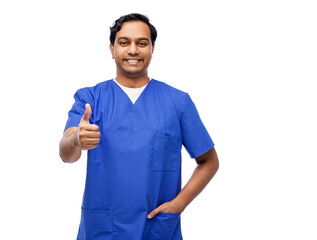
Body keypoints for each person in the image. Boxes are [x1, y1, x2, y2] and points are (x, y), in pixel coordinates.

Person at [59, 13, 219, 240]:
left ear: (152, 48)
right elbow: (66, 154)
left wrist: (180, 203)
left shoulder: (177, 101)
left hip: (157, 228)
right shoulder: (91, 99)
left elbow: (209, 161)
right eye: (124, 42)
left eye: (141, 43)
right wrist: (75, 140)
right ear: (112, 49)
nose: (133, 50)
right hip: (103, 228)